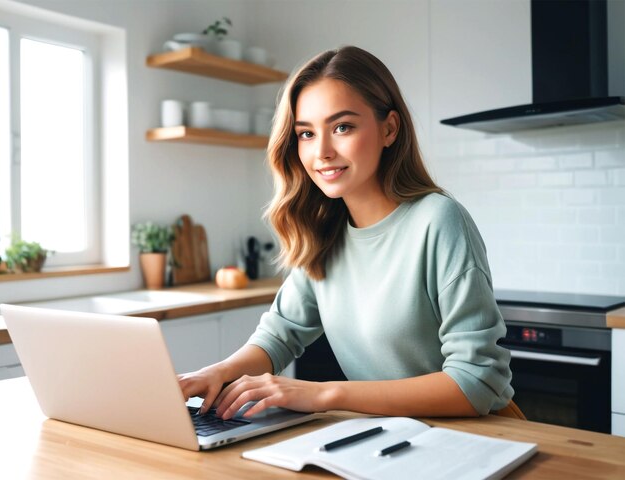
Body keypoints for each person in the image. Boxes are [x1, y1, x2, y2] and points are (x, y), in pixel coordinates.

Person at [179, 45, 513, 420]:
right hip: (391, 437)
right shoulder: (324, 231)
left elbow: (476, 382)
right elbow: (279, 336)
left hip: (478, 436)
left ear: (389, 129)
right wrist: (217, 373)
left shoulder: (439, 221)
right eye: (306, 133)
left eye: (342, 127)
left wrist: (324, 395)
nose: (321, 151)